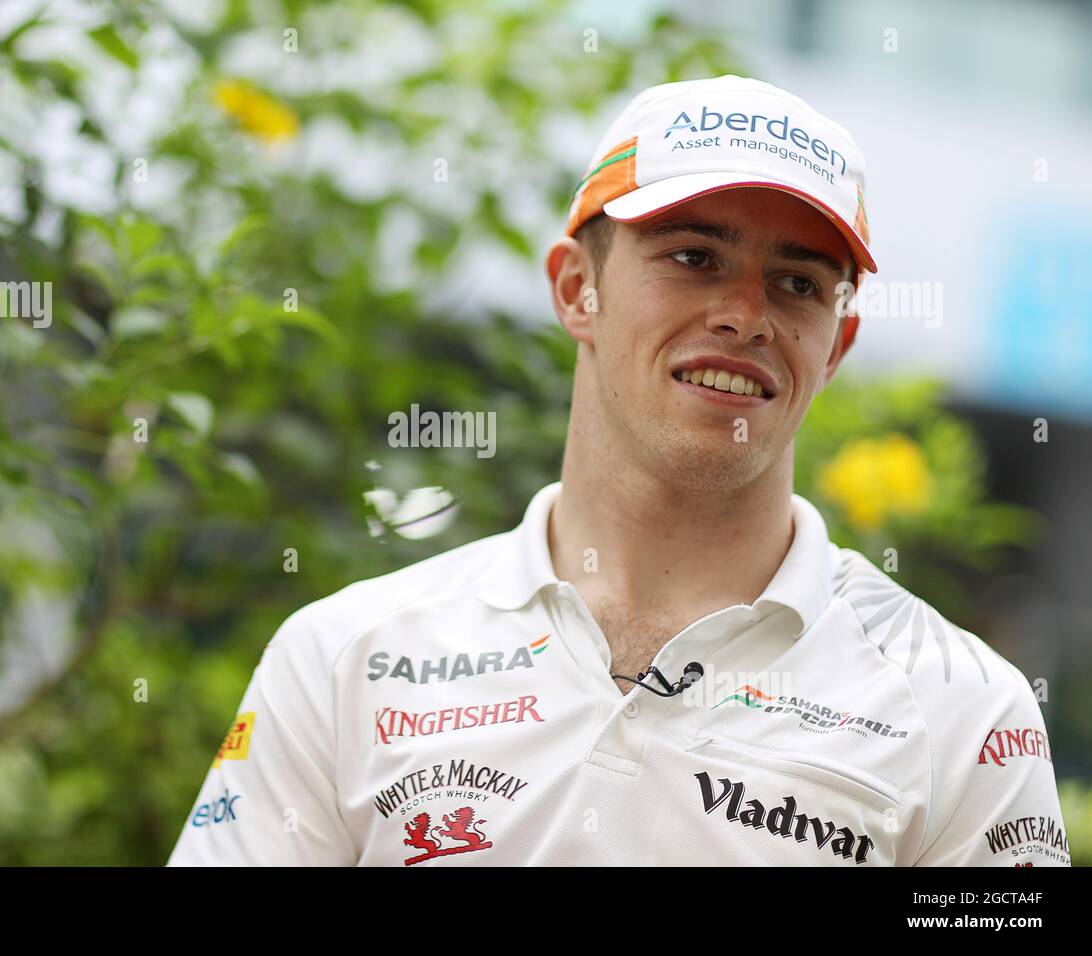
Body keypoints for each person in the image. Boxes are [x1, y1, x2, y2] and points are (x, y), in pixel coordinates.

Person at [168, 75, 1069, 867]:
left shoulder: (967, 717)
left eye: (798, 282)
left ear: (838, 345)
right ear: (575, 289)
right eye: (693, 258)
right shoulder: (346, 660)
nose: (746, 316)